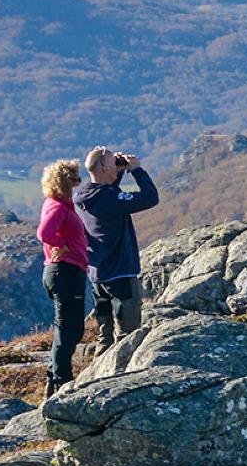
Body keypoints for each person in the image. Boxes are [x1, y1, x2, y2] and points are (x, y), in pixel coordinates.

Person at [77, 146, 159, 351]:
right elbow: (150, 198)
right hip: (120, 271)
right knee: (128, 336)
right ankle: (121, 376)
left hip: (98, 273)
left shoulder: (85, 194)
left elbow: (108, 191)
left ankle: (100, 372)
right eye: (113, 163)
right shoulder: (109, 200)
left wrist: (119, 169)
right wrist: (137, 170)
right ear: (105, 168)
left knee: (105, 337)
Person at [36, 160, 89, 397]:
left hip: (61, 271)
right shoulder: (58, 207)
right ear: (64, 182)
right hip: (65, 271)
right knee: (70, 328)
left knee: (67, 327)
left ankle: (53, 379)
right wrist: (64, 245)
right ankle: (62, 381)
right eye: (74, 179)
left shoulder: (57, 205)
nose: (79, 182)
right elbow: (44, 233)